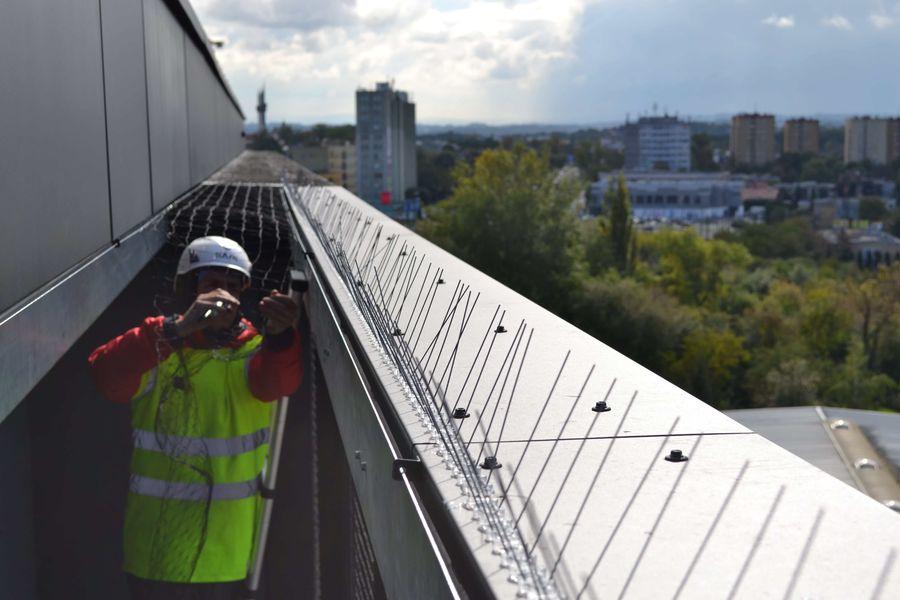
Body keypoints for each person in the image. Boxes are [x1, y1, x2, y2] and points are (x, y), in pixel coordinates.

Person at [88, 236, 303, 599]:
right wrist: (177, 330)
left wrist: (281, 337)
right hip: (157, 556)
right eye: (211, 284)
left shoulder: (254, 352)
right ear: (188, 289)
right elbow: (106, 374)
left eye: (233, 286)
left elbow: (281, 380)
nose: (223, 296)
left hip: (226, 557)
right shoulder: (158, 345)